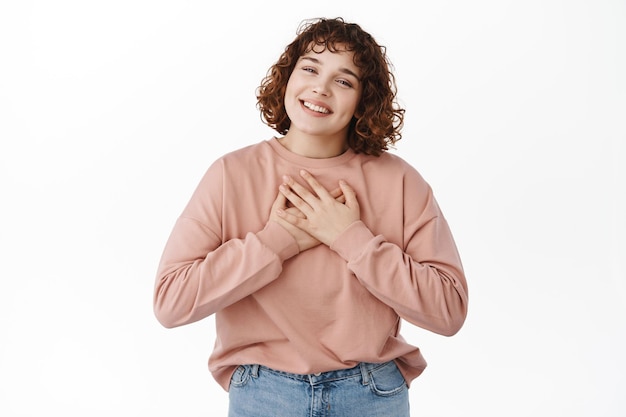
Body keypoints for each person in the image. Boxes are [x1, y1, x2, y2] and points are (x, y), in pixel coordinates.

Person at [153, 17, 468, 417]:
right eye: (311, 68)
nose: (320, 87)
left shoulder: (400, 182)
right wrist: (276, 242)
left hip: (371, 394)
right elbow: (171, 301)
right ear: (287, 78)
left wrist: (350, 238)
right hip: (263, 394)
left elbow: (449, 309)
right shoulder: (231, 174)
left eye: (344, 80)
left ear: (362, 101)